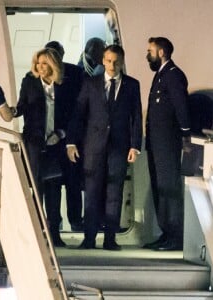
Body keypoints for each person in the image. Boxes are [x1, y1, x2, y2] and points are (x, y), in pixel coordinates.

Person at [67, 44, 142, 250]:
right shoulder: (91, 83)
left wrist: (135, 146)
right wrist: (71, 142)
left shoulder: (132, 85)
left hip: (119, 147)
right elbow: (79, 113)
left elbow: (136, 117)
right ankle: (89, 238)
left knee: (114, 194)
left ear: (122, 61)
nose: (112, 65)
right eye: (108, 61)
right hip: (93, 147)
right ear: (102, 61)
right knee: (91, 193)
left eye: (116, 61)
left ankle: (110, 239)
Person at [13, 47, 70, 247]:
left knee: (54, 189)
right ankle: (37, 233)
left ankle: (55, 233)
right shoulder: (29, 82)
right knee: (36, 188)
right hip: (35, 143)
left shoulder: (64, 85)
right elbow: (21, 107)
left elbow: (71, 115)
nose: (40, 67)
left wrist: (61, 134)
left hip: (56, 144)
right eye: (38, 63)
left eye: (45, 63)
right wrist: (10, 111)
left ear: (53, 65)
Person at [144, 37, 191, 251]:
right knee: (159, 187)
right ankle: (166, 232)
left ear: (161, 51)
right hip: (156, 143)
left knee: (169, 188)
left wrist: (185, 133)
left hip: (168, 143)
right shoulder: (161, 75)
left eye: (150, 51)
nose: (147, 55)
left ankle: (175, 235)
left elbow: (181, 106)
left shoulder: (173, 75)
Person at [45, 41, 84, 232]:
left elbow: (81, 106)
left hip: (71, 136)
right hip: (48, 139)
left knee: (72, 182)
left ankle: (75, 220)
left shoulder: (75, 73)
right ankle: (54, 222)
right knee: (51, 183)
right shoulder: (39, 75)